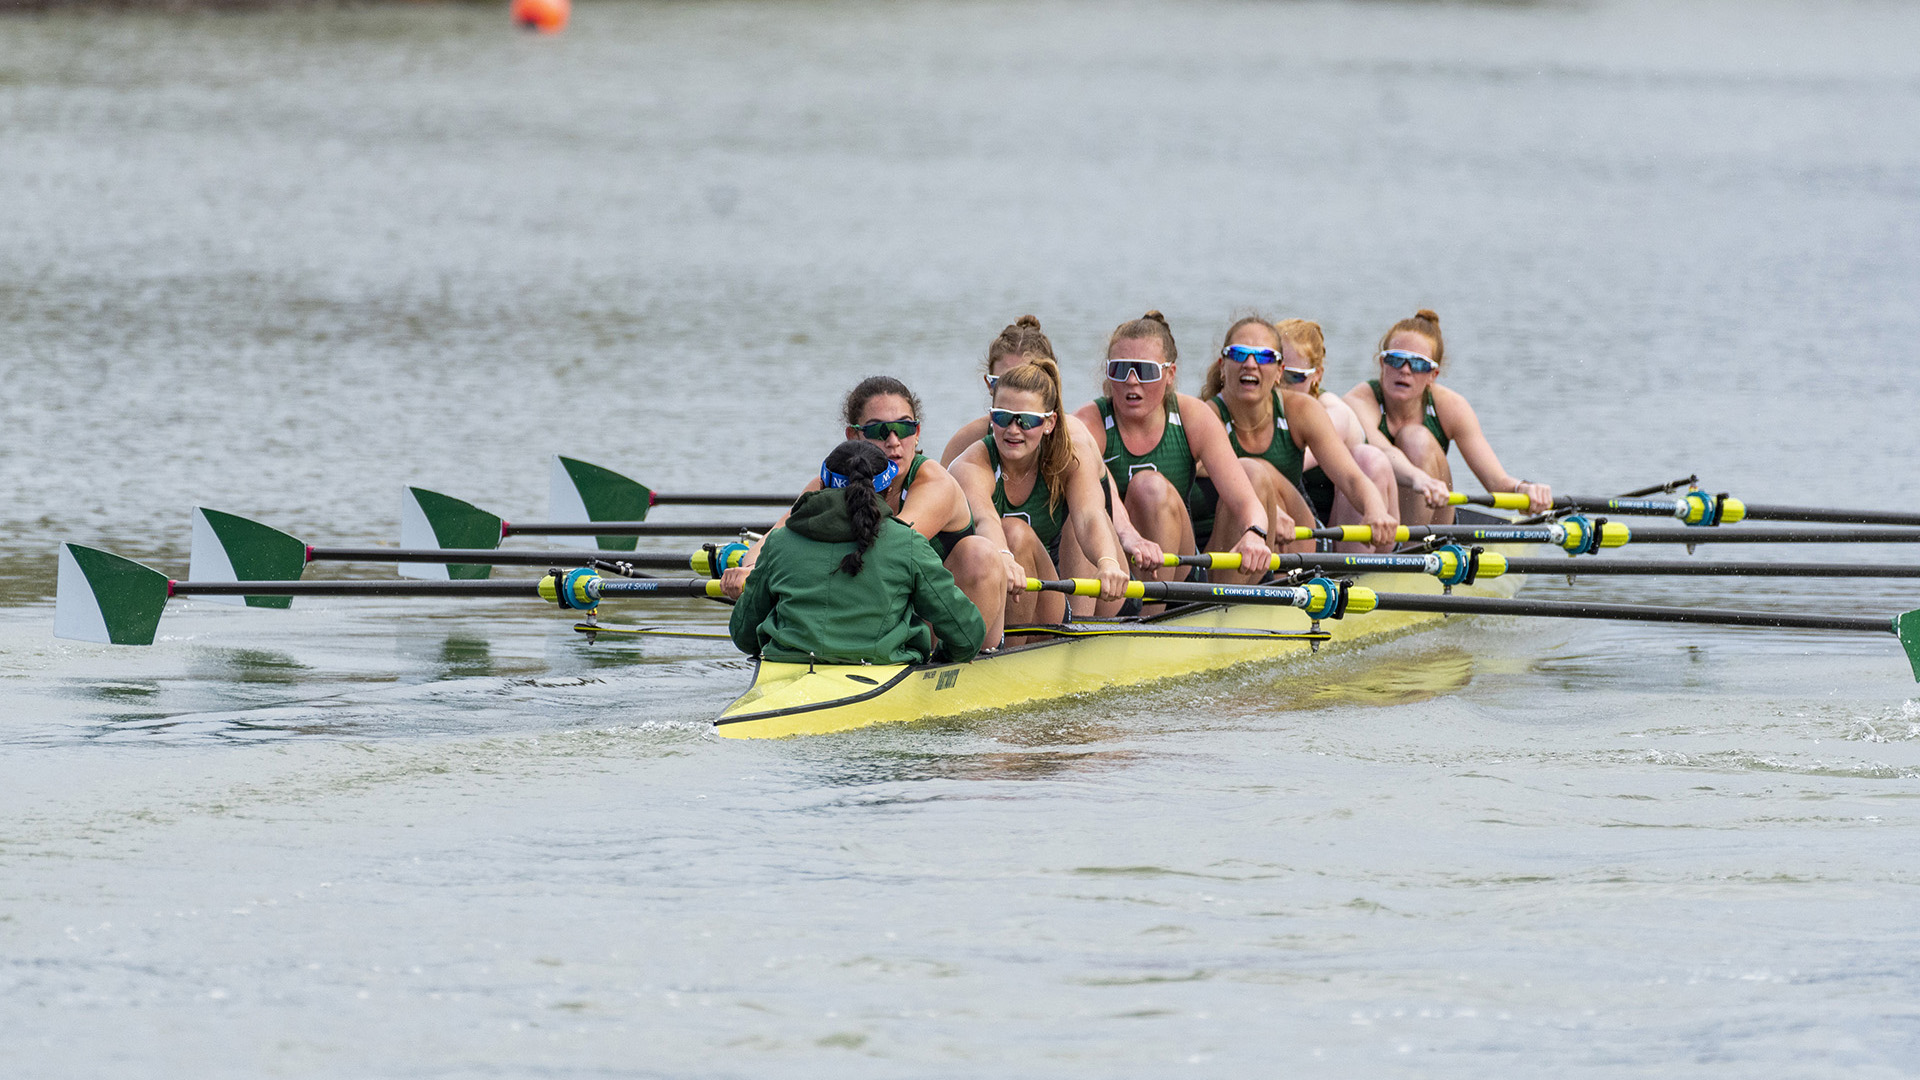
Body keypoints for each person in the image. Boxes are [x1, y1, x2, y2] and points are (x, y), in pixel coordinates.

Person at [722, 376, 1014, 648]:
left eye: (904, 428)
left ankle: (973, 657)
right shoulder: (829, 481)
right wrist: (748, 572)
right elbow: (774, 540)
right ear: (854, 435)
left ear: (917, 432)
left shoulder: (933, 483)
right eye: (878, 430)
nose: (893, 442)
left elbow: (886, 550)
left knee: (978, 551)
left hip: (957, 623)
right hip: (890, 619)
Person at [940, 314, 1136, 615]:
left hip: (1084, 577)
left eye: (1027, 419)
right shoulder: (968, 453)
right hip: (1007, 568)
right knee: (1011, 536)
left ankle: (1081, 629)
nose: (1013, 428)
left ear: (1048, 421)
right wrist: (1002, 555)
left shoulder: (1073, 446)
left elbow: (1090, 517)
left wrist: (1108, 561)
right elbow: (982, 521)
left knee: (1040, 527)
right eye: (1002, 415)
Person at [729, 440, 986, 665]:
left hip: (787, 666)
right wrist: (940, 661)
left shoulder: (780, 542)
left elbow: (743, 634)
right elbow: (967, 635)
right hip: (882, 671)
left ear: (821, 485)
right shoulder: (908, 543)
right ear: (887, 490)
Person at [1070, 311, 1273, 587]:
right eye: (1120, 369)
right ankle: (1142, 619)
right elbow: (1104, 502)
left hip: (1180, 564)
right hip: (1116, 559)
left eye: (1145, 371)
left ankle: (1159, 614)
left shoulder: (1193, 417)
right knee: (1141, 489)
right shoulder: (1088, 423)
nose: (1131, 381)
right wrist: (1131, 537)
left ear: (1170, 374)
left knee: (1152, 487)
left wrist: (1254, 533)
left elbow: (1247, 502)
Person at [1192, 316, 1399, 554]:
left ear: (1279, 371)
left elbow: (1352, 478)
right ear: (1222, 366)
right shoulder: (1205, 418)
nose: (1250, 364)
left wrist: (1374, 509)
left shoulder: (1301, 411)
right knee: (1253, 470)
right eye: (1239, 354)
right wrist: (1265, 512)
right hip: (1227, 543)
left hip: (1295, 534)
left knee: (1258, 469)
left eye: (1264, 356)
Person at [1343, 309, 1552, 526]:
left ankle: (1413, 550)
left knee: (1415, 439)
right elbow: (1385, 451)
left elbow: (1496, 483)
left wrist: (1525, 489)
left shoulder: (1452, 407)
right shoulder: (1358, 401)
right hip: (1376, 513)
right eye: (1395, 359)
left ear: (1433, 375)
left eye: (1417, 364)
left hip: (1433, 520)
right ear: (1382, 364)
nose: (1405, 370)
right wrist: (1419, 479)